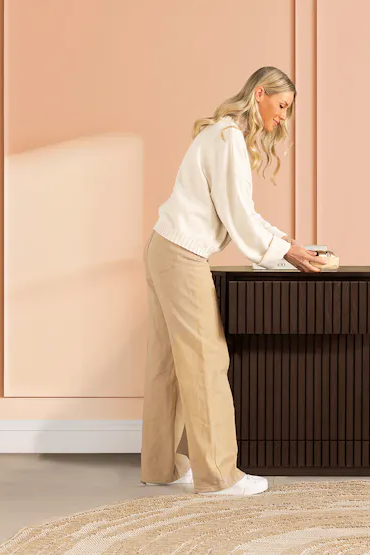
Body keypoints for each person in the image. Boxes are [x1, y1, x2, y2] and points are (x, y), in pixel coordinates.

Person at [139, 66, 325, 496]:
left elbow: (239, 209)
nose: (283, 118)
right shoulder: (228, 140)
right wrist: (287, 252)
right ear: (259, 94)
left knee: (166, 365)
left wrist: (283, 241)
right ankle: (219, 477)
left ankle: (161, 466)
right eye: (281, 106)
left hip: (163, 248)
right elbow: (237, 215)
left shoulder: (222, 135)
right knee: (207, 362)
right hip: (182, 256)